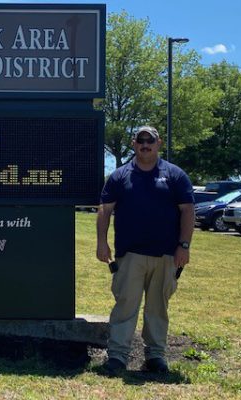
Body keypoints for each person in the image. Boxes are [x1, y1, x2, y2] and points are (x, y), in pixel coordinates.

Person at [96, 126, 194, 375]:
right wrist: (101, 241)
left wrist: (184, 246)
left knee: (157, 308)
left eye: (149, 140)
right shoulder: (120, 176)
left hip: (166, 255)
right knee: (125, 305)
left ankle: (155, 356)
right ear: (133, 144)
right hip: (130, 255)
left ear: (158, 143)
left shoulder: (175, 175)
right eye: (140, 140)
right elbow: (105, 209)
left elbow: (187, 211)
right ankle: (117, 356)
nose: (145, 145)